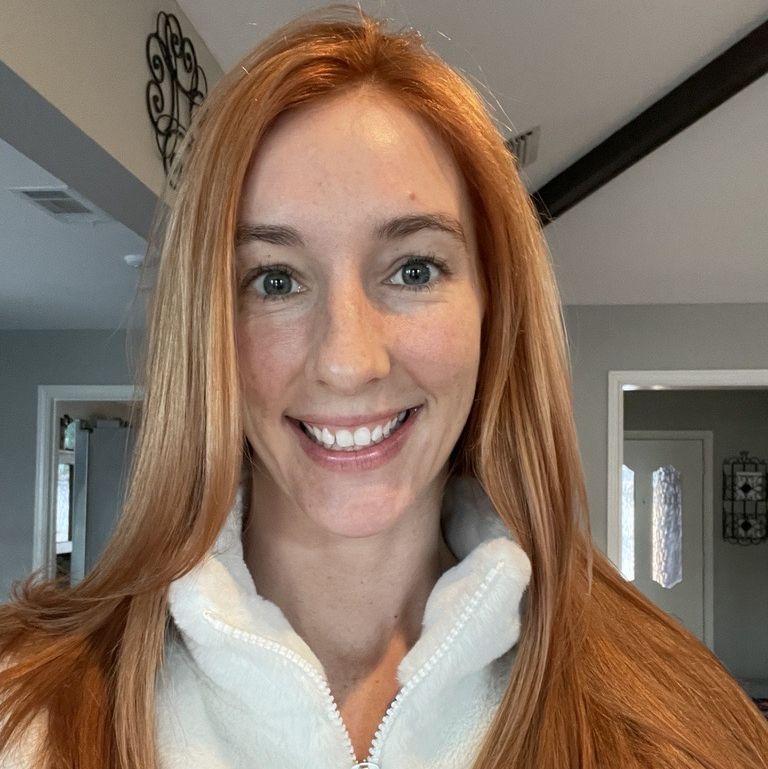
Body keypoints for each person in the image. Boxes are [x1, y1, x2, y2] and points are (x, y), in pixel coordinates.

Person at [1, 4, 767, 769]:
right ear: (208, 328)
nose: (348, 360)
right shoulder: (25, 719)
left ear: (493, 308)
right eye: (275, 279)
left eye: (414, 270)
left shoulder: (681, 732)